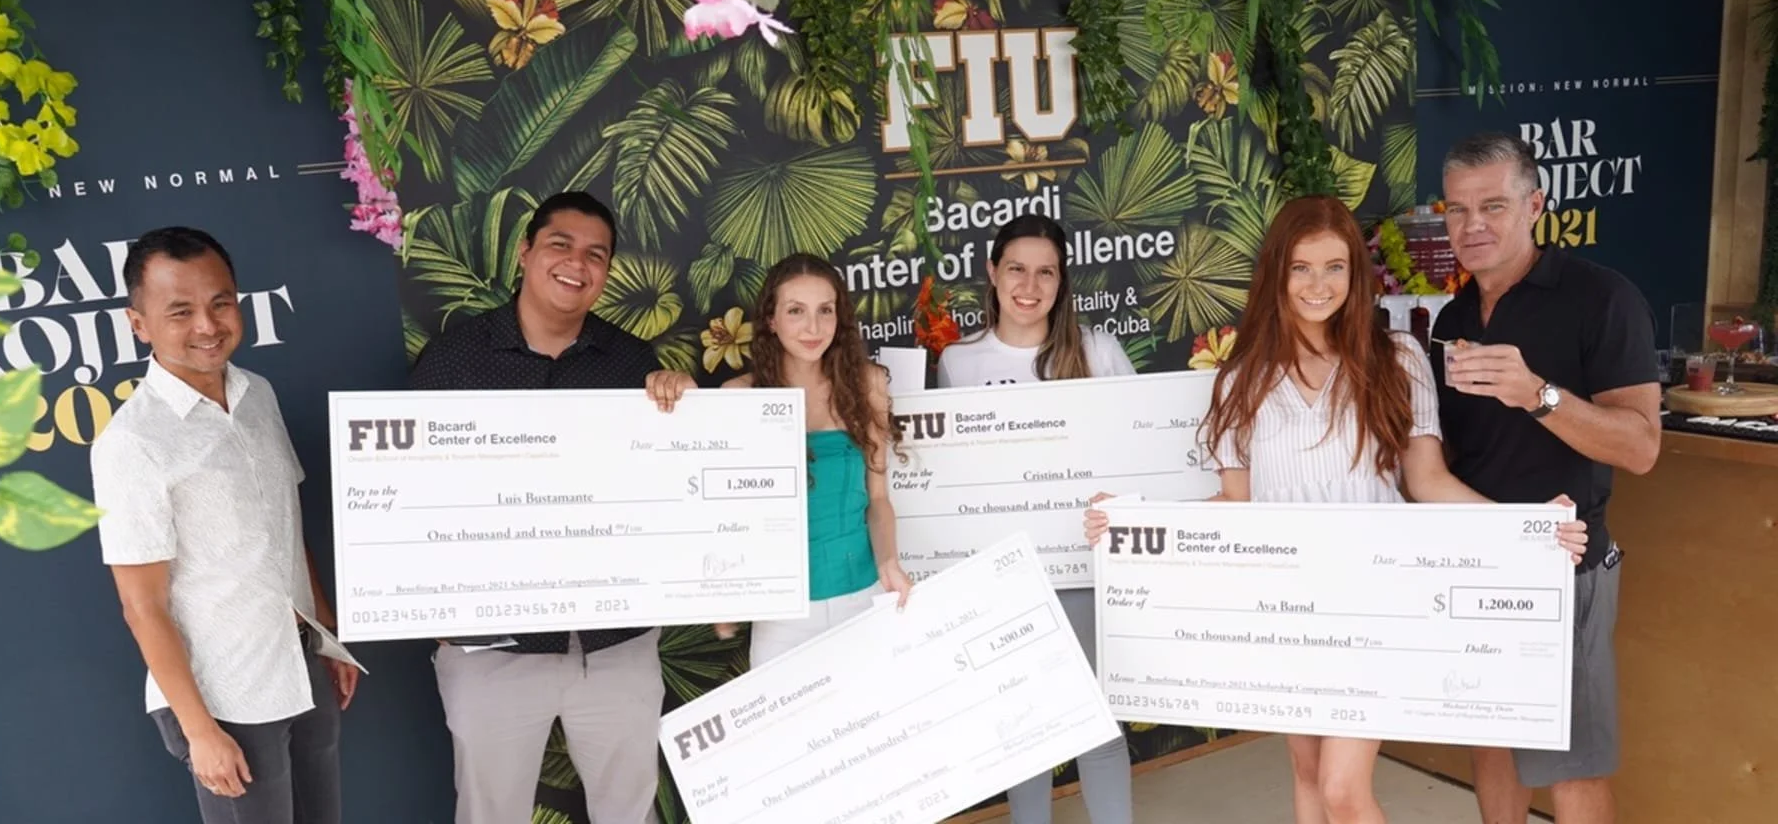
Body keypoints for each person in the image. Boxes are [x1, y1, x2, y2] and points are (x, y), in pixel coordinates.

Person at [1081, 195, 1589, 824]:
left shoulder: (1397, 359)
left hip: (1373, 604)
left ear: (1356, 275)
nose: (1318, 285)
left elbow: (1427, 482)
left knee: (1344, 787)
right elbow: (1235, 504)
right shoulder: (1241, 379)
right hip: (1283, 606)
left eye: (1335, 267)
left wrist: (1528, 530)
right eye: (1301, 268)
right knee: (1309, 775)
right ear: (1277, 274)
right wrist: (1133, 518)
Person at [407, 192, 675, 824]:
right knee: (489, 814)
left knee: (627, 811)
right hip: (494, 650)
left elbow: (668, 488)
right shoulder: (452, 361)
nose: (576, 264)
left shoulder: (633, 364)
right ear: (525, 251)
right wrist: (436, 610)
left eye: (595, 254)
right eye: (560, 245)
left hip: (613, 646)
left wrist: (683, 404)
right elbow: (412, 499)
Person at [93, 226, 362, 824]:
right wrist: (199, 732)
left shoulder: (257, 394)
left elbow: (285, 531)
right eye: (180, 311)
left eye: (220, 303)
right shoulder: (132, 443)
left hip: (301, 664)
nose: (207, 326)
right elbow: (142, 606)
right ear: (139, 324)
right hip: (226, 697)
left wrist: (328, 633)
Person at [1432, 133, 1660, 824]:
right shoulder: (1453, 316)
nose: (1473, 226)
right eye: (1457, 210)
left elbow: (1642, 447)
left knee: (1570, 760)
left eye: (1493, 206)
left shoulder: (1603, 298)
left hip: (1567, 564)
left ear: (1535, 205)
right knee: (1495, 742)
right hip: (1478, 563)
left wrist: (1537, 394)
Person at [933, 213, 1136, 824]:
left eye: (1046, 271)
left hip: (1082, 570)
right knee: (1023, 735)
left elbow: (1136, 452)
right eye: (1017, 268)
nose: (1030, 285)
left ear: (1061, 280)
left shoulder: (1097, 349)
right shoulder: (958, 361)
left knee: (1099, 728)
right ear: (991, 273)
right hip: (1005, 578)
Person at [646, 254, 912, 666]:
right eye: (795, 311)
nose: (813, 327)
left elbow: (878, 500)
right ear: (771, 319)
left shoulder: (869, 383)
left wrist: (889, 562)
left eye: (825, 311)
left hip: (865, 598)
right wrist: (725, 590)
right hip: (782, 616)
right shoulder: (739, 396)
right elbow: (723, 511)